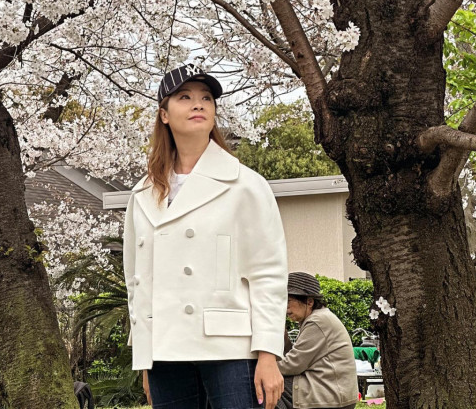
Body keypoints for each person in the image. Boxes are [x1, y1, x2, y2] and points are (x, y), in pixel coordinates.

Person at [123, 64, 288, 409]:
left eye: (206, 98)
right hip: (166, 352)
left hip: (230, 348)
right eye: (185, 97)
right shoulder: (142, 194)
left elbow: (268, 275)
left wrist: (268, 353)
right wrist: (145, 356)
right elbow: (137, 281)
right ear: (164, 114)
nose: (198, 104)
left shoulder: (245, 184)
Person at [276, 272, 358, 409]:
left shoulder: (317, 322)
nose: (285, 308)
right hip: (332, 391)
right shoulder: (316, 318)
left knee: (269, 384)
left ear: (309, 301)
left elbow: (293, 365)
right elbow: (296, 358)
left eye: (288, 301)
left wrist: (262, 367)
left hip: (331, 396)